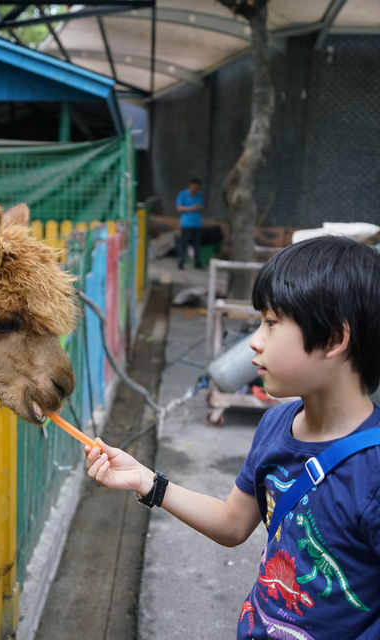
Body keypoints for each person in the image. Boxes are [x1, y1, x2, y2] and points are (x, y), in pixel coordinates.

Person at [85, 235, 380, 638]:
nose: (255, 341)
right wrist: (145, 481)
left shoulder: (374, 471)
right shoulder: (275, 427)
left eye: (272, 323)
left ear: (333, 339)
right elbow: (232, 522)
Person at [175, 178, 205, 269]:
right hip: (186, 224)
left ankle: (197, 262)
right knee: (183, 244)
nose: (195, 190)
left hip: (197, 224)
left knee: (197, 244)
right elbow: (179, 208)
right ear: (190, 186)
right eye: (194, 188)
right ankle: (181, 262)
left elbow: (202, 208)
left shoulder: (199, 195)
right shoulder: (183, 194)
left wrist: (199, 208)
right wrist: (190, 208)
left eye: (197, 188)